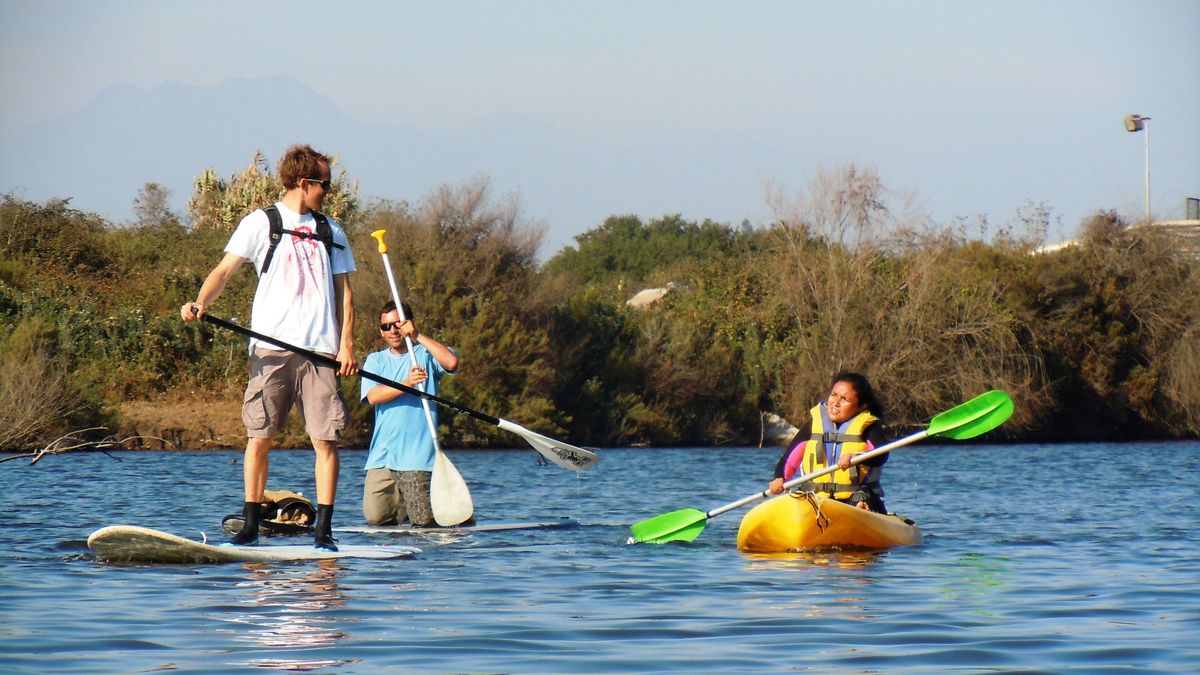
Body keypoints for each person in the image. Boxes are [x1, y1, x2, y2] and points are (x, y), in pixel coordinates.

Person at [181, 144, 357, 551]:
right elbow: (225, 270)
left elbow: (345, 295)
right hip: (270, 350)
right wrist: (201, 302)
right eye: (324, 185)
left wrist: (346, 346)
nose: (327, 192)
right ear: (303, 183)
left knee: (325, 440)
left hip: (320, 352)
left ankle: (323, 531)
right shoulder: (261, 223)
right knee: (258, 435)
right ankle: (249, 526)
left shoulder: (333, 232)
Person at [361, 300, 459, 527]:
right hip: (382, 455)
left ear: (407, 324)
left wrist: (418, 335)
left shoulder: (424, 354)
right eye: (386, 326)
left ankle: (428, 506)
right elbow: (374, 396)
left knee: (424, 522)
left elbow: (451, 362)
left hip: (417, 456)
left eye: (397, 324)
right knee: (375, 517)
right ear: (380, 331)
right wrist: (407, 383)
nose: (392, 331)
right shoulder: (375, 360)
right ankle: (405, 508)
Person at [767, 372, 889, 512]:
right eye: (833, 395)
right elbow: (788, 460)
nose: (836, 403)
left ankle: (861, 512)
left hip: (854, 497)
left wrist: (856, 457)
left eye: (845, 399)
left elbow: (881, 455)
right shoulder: (813, 426)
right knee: (796, 499)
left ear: (861, 406)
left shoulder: (868, 427)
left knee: (862, 497)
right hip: (816, 498)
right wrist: (779, 478)